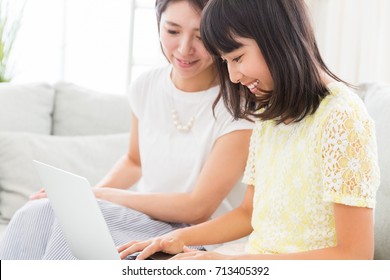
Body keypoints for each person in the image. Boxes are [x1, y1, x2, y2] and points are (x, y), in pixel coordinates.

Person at [117, 0, 380, 260]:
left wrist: (232, 265)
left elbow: (354, 255)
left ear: (277, 37)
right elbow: (248, 213)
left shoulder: (341, 117)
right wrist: (178, 238)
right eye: (225, 61)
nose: (233, 76)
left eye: (238, 58)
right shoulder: (269, 115)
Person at [0, 0, 253, 259]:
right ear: (158, 25)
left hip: (195, 236)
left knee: (68, 234)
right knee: (39, 212)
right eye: (172, 31)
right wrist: (84, 201)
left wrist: (100, 194)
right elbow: (134, 161)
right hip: (145, 219)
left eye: (200, 36)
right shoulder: (146, 85)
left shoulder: (239, 107)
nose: (184, 48)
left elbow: (198, 207)